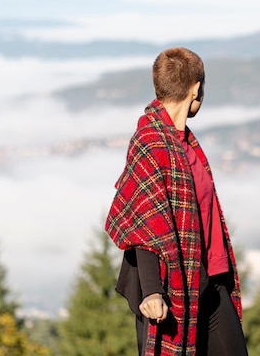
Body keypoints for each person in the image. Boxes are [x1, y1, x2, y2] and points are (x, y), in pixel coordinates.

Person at [105, 47, 248, 356]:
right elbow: (145, 225)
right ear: (196, 88)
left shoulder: (184, 141)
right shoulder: (151, 142)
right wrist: (153, 292)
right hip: (170, 291)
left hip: (210, 282)